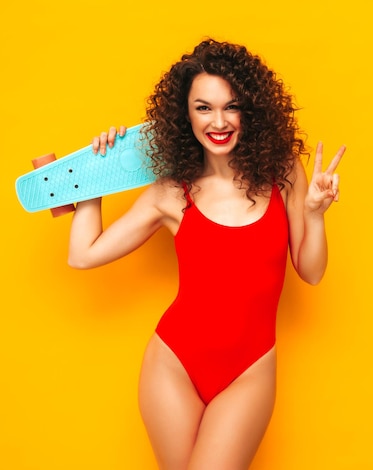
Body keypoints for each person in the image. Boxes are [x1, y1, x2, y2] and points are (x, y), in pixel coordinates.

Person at [68, 38, 345, 470]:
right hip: (173, 364)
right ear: (186, 115)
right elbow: (83, 255)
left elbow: (310, 272)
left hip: (249, 370)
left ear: (249, 111)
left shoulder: (284, 172)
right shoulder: (169, 192)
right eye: (203, 107)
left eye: (231, 106)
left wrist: (315, 215)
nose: (219, 121)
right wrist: (90, 182)